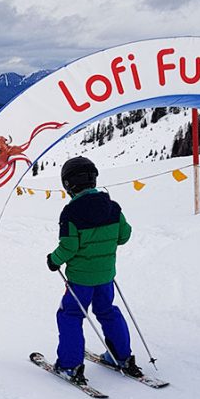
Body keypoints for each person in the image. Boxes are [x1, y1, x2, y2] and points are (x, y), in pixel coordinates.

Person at [46, 156, 141, 384]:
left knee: (70, 315)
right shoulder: (112, 207)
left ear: (68, 185)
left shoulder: (71, 213)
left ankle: (70, 365)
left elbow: (69, 247)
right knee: (107, 311)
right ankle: (122, 357)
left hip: (80, 280)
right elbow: (124, 235)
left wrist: (53, 260)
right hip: (106, 277)